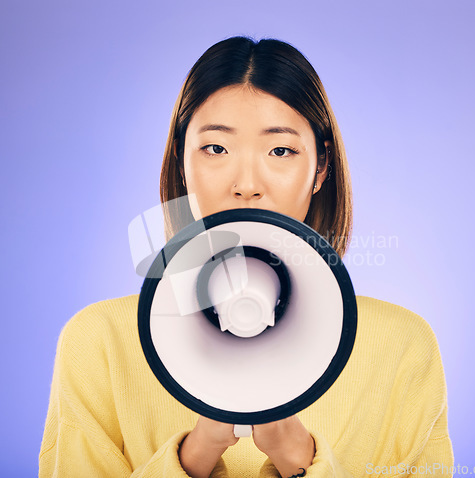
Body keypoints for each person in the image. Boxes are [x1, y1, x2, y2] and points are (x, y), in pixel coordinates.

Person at [39, 36, 453, 477]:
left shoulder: (402, 347)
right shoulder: (99, 344)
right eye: (216, 148)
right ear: (182, 161)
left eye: (280, 150)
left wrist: (297, 457)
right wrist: (195, 454)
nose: (247, 184)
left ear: (321, 169)